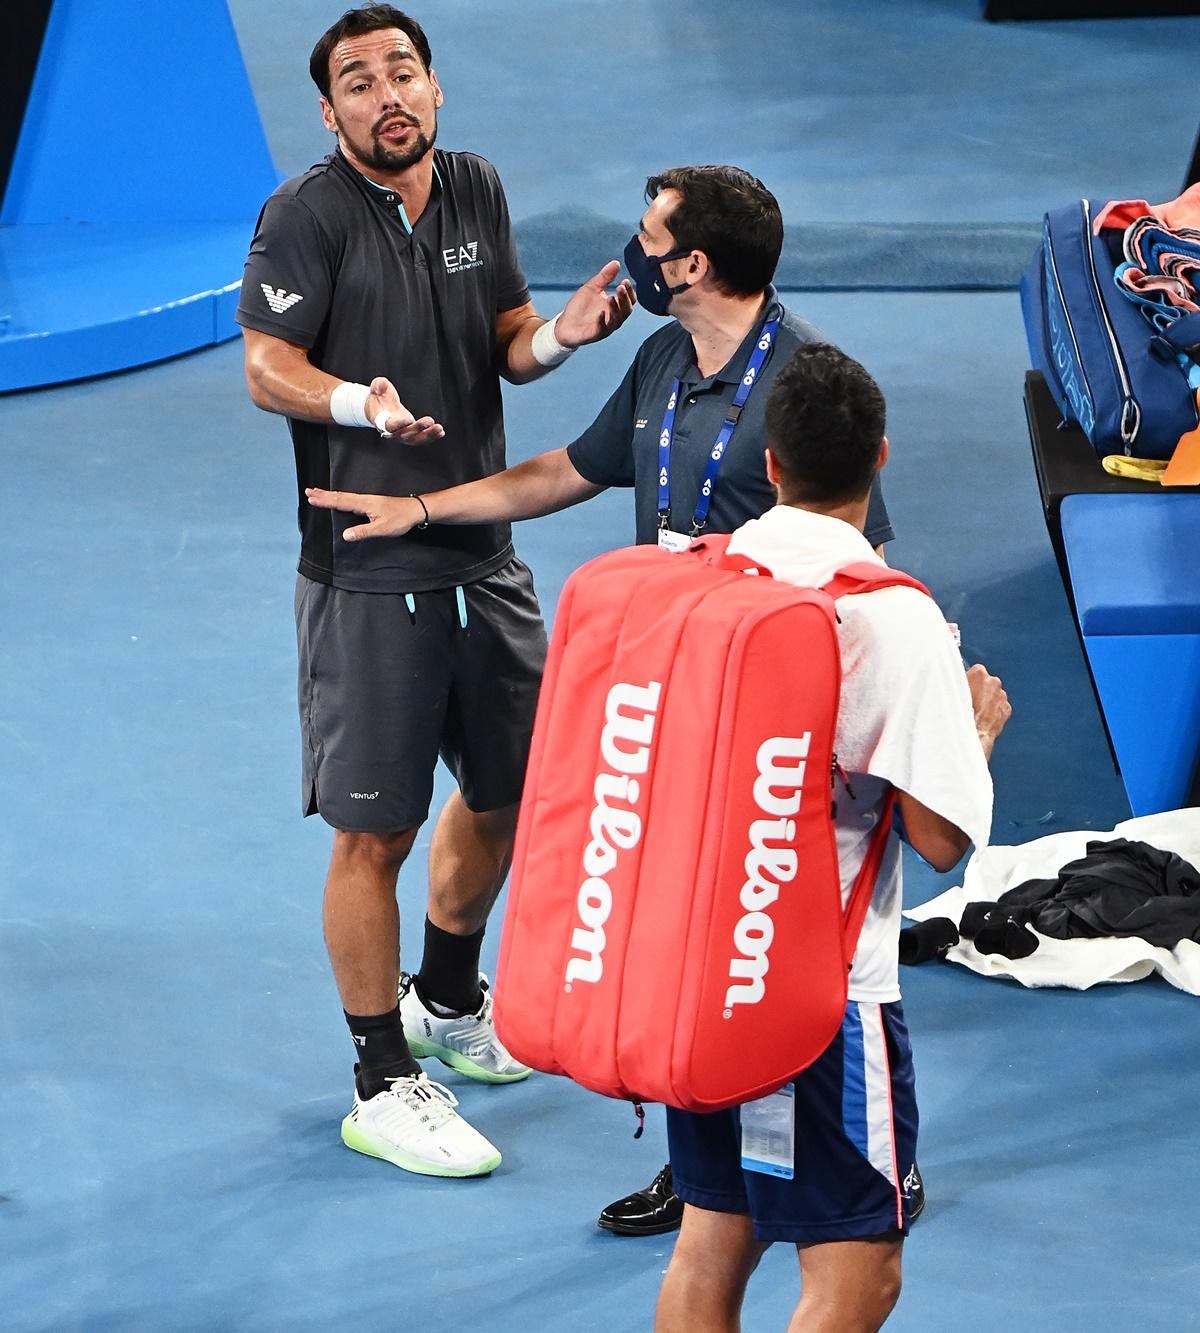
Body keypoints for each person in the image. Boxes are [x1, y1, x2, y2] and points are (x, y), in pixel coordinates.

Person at [304, 162, 892, 1220]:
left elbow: (859, 558)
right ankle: (708, 1158)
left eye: (649, 237)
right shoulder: (668, 355)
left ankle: (831, 1157)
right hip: (668, 691)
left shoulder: (803, 386)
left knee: (769, 948)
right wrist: (427, 509)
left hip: (763, 721)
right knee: (680, 932)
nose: (634, 255)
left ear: (692, 264)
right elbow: (563, 472)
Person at [235, 4, 634, 1179]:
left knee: (508, 792)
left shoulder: (474, 186)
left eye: (402, 71)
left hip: (484, 551)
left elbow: (505, 331)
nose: (385, 93)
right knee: (378, 832)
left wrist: (559, 337)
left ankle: (447, 998)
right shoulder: (303, 217)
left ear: (436, 87)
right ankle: (379, 1079)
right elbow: (266, 368)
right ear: (331, 112)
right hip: (368, 573)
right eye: (358, 82)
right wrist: (364, 403)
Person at [654, 342, 1010, 1331]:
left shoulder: (703, 577)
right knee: (859, 1272)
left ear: (770, 463)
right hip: (824, 998)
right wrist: (974, 736)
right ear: (881, 459)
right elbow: (941, 839)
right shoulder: (899, 625)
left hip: (701, 970)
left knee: (713, 1236)